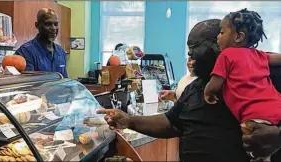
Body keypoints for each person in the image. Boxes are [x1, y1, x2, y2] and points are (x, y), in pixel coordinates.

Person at [97, 19, 251, 162]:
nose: (190, 55)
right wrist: (129, 121)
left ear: (219, 44)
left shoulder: (250, 83)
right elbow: (171, 122)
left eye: (194, 47)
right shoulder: (196, 86)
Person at [203, 7, 281, 145]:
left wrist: (207, 92)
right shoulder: (259, 55)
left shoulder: (226, 55)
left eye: (221, 32)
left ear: (238, 37)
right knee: (268, 147)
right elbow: (278, 59)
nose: (217, 37)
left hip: (254, 114)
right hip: (276, 106)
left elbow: (215, 83)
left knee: (255, 147)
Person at [16, 8, 68, 78]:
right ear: (37, 25)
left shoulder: (61, 52)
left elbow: (64, 81)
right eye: (48, 24)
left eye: (56, 24)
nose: (53, 28)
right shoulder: (25, 52)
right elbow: (28, 83)